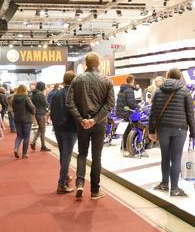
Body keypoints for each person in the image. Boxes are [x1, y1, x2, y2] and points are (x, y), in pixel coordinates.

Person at [66, 53, 115, 200]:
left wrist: (81, 119)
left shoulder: (77, 80)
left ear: (85, 64)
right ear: (98, 63)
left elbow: (69, 102)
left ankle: (80, 183)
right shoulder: (106, 81)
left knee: (82, 154)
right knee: (96, 157)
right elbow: (110, 104)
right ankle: (95, 190)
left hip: (82, 125)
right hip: (99, 124)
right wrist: (95, 120)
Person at [148, 68, 195, 197]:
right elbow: (190, 114)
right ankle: (174, 189)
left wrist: (151, 130)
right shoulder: (185, 91)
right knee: (176, 158)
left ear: (167, 76)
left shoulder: (158, 91)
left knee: (165, 157)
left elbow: (153, 113)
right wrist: (193, 132)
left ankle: (164, 184)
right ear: (180, 77)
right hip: (180, 129)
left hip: (163, 129)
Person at [51, 71, 77, 195]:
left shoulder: (56, 94)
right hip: (70, 128)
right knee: (66, 156)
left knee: (63, 154)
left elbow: (52, 111)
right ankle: (61, 184)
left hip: (58, 128)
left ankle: (65, 176)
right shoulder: (74, 94)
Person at [12, 84, 35, 159]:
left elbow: (13, 108)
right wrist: (33, 113)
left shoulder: (14, 98)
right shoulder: (26, 98)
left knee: (19, 136)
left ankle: (16, 148)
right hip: (27, 119)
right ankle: (24, 153)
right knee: (26, 136)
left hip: (17, 119)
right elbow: (32, 107)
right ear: (25, 90)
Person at [116, 75, 138, 150]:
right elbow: (130, 103)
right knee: (128, 130)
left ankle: (123, 146)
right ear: (132, 81)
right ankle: (126, 146)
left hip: (121, 111)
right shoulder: (129, 90)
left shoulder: (122, 89)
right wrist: (138, 106)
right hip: (126, 112)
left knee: (126, 129)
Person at [30, 81, 51, 152]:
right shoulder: (40, 94)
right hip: (41, 113)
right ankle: (43, 146)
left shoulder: (33, 94)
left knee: (40, 128)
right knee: (43, 129)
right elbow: (45, 103)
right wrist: (48, 106)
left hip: (36, 113)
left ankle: (33, 142)